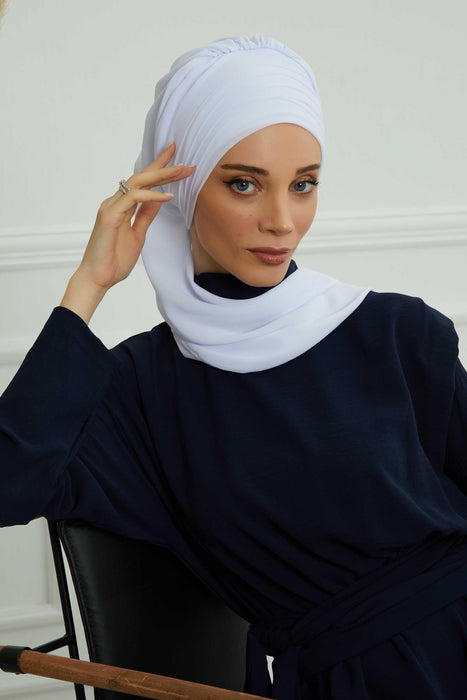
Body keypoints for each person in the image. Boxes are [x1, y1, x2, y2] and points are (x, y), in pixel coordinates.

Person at [1, 33, 467, 700]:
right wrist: (88, 284)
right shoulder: (139, 390)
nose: (282, 221)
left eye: (303, 185)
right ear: (180, 191)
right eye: (244, 184)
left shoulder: (397, 331)